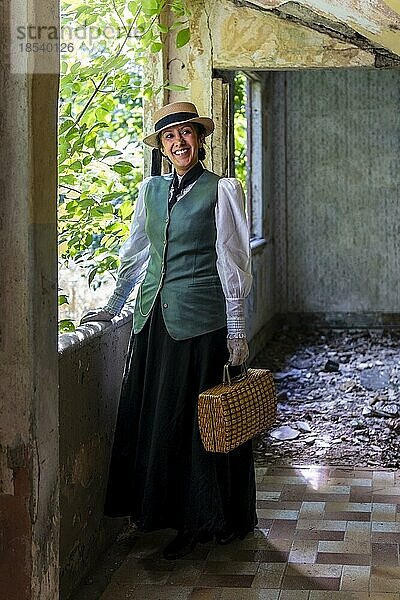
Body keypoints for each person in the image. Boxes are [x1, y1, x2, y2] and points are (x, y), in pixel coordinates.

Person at [81, 101, 257, 560]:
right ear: (161, 147)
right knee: (161, 419)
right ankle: (168, 513)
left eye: (186, 133)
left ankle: (203, 520)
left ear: (200, 139)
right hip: (154, 322)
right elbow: (137, 253)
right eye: (169, 137)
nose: (179, 143)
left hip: (202, 324)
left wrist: (236, 330)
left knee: (200, 424)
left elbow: (233, 260)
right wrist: (114, 306)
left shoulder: (221, 190)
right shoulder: (150, 192)